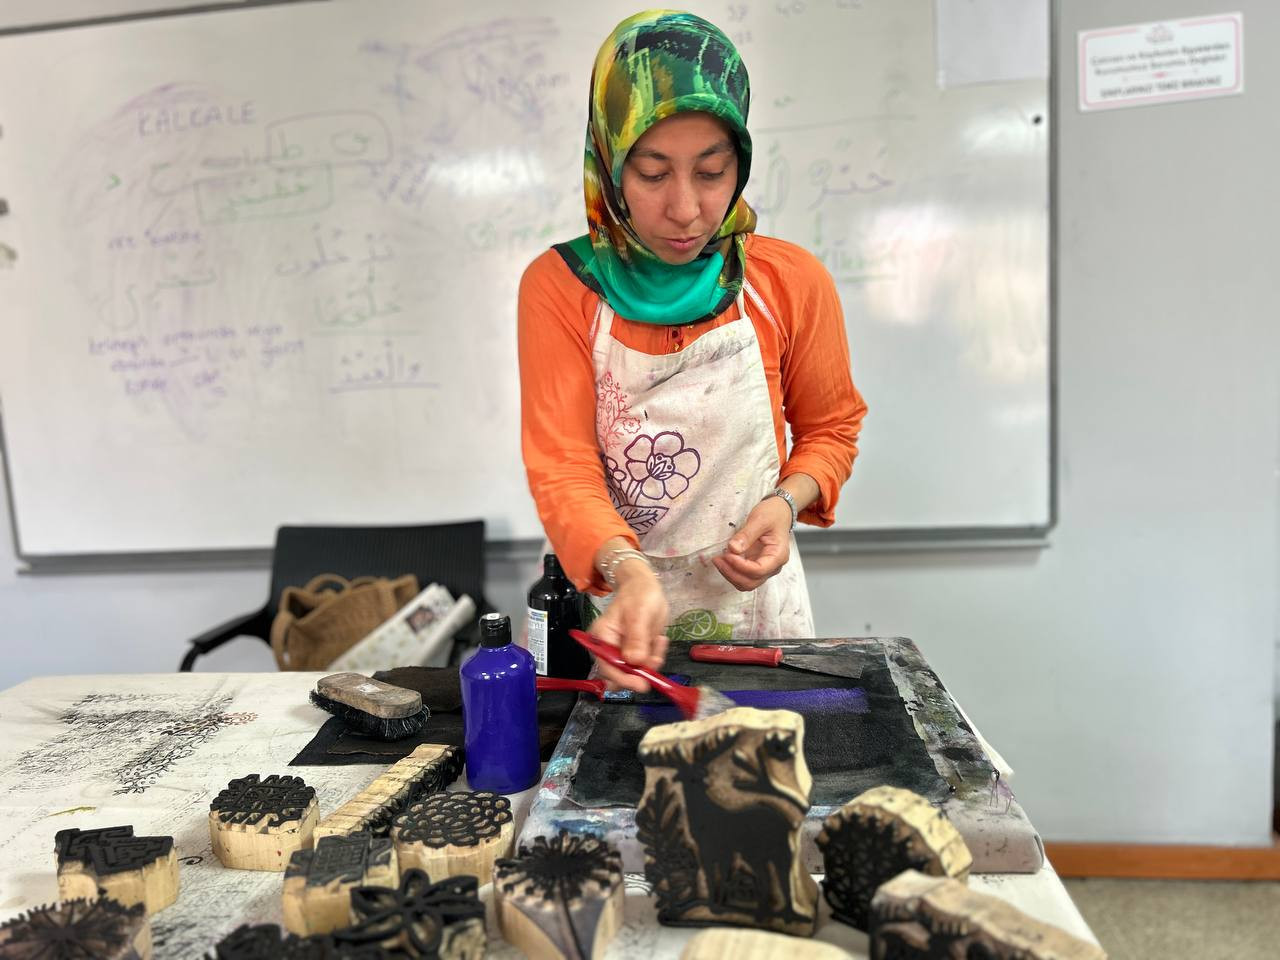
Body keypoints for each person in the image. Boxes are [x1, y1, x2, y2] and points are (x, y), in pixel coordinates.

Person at [518, 10, 866, 691]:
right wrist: (628, 570)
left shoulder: (787, 282)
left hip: (757, 617)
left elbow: (832, 430)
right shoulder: (561, 288)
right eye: (652, 174)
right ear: (609, 163)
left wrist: (785, 503)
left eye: (712, 172)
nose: (685, 209)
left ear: (741, 162)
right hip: (618, 613)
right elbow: (563, 465)